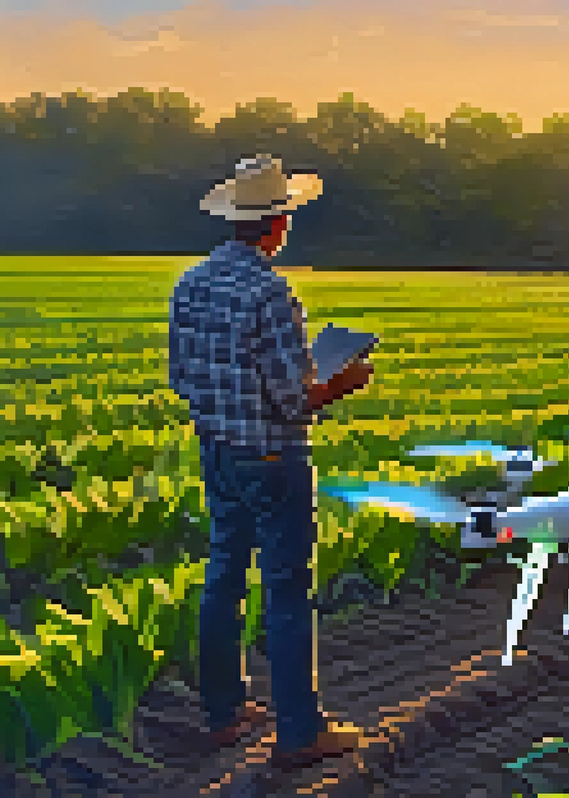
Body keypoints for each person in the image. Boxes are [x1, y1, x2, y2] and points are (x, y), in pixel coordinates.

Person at [168, 154, 374, 771]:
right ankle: (301, 732)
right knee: (286, 590)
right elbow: (293, 397)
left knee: (224, 575)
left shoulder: (191, 283)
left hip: (217, 449)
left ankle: (226, 712)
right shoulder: (270, 292)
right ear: (277, 224)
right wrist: (345, 379)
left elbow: (182, 378)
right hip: (272, 454)